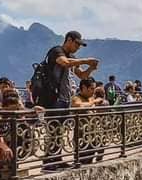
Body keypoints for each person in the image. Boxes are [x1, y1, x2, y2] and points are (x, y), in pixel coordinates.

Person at [40, 31, 99, 168]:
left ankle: (57, 158)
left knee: (60, 130)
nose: (78, 47)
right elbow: (64, 63)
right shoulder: (57, 51)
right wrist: (85, 60)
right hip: (54, 98)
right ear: (69, 40)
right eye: (77, 44)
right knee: (53, 128)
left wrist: (90, 68)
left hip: (65, 98)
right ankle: (49, 161)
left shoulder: (72, 57)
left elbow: (83, 76)